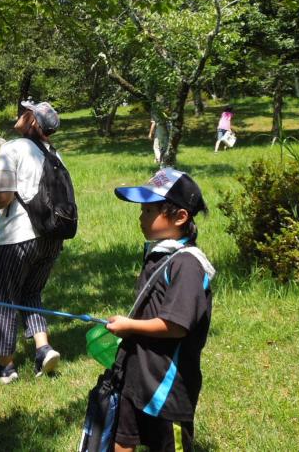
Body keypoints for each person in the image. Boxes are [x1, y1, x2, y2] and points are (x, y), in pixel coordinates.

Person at [107, 168, 215, 452]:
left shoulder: (188, 264)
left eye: (148, 211)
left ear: (180, 217)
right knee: (121, 440)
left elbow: (176, 325)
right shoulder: (160, 254)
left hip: (167, 387)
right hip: (137, 375)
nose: (140, 217)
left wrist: (128, 326)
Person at [0, 101, 65, 384]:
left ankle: (5, 366)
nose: (20, 115)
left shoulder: (12, 148)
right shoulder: (55, 154)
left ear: (34, 122)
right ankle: (43, 349)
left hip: (16, 239)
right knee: (31, 294)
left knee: (4, 299)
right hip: (50, 239)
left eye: (26, 113)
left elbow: (4, 197)